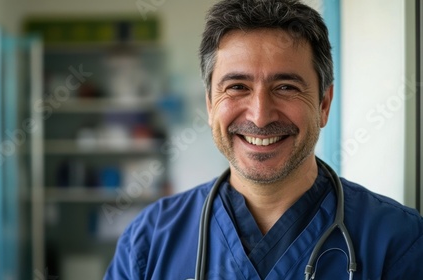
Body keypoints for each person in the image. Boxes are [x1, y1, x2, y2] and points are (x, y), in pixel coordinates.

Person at [104, 0, 423, 279]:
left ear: (324, 104)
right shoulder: (148, 241)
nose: (260, 116)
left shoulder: (399, 240)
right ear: (210, 104)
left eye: (286, 87)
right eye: (237, 87)